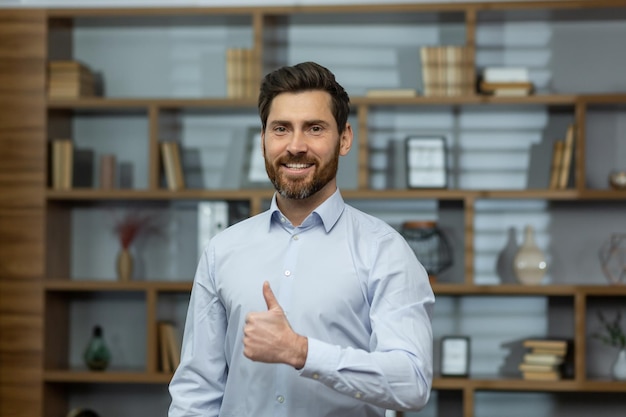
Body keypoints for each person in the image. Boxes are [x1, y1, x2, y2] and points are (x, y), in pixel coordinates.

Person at [168, 61, 435, 417]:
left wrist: (301, 352)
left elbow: (412, 381)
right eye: (281, 129)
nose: (296, 146)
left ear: (344, 139)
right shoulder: (222, 250)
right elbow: (197, 390)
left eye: (314, 128)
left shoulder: (385, 251)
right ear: (263, 140)